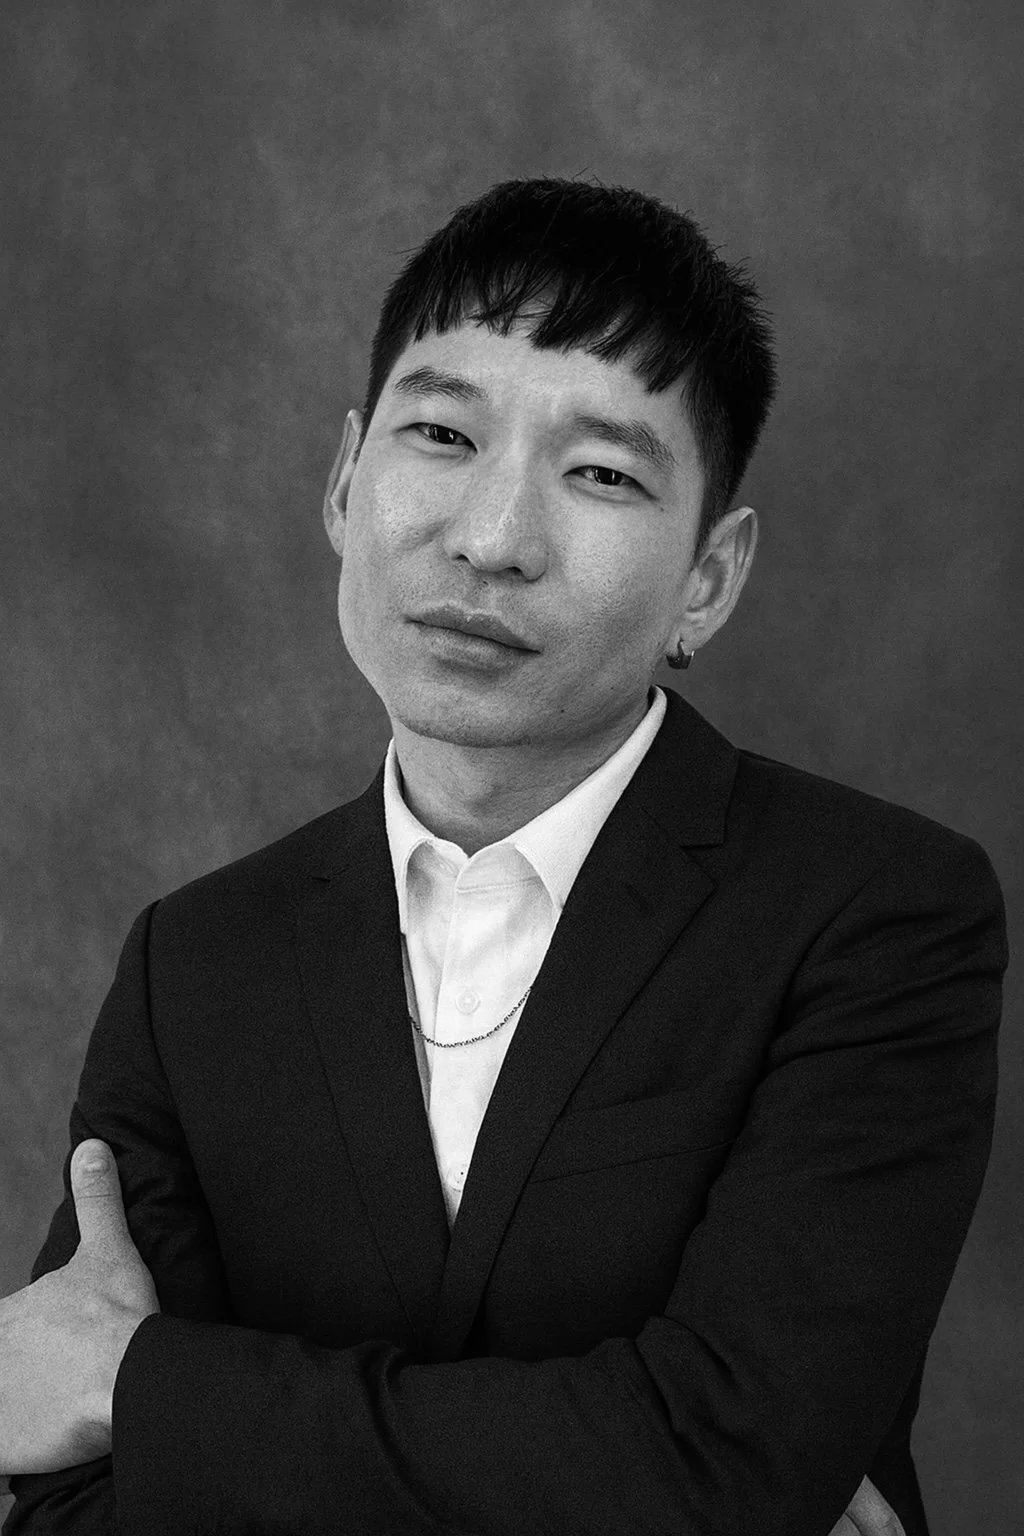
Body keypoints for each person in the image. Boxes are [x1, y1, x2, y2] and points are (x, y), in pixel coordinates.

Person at [0, 178, 1006, 1536]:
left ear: (707, 580)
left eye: (599, 471)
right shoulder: (198, 962)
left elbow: (723, 1469)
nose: (491, 537)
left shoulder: (878, 913)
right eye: (439, 432)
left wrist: (139, 1383)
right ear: (344, 483)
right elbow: (68, 1516)